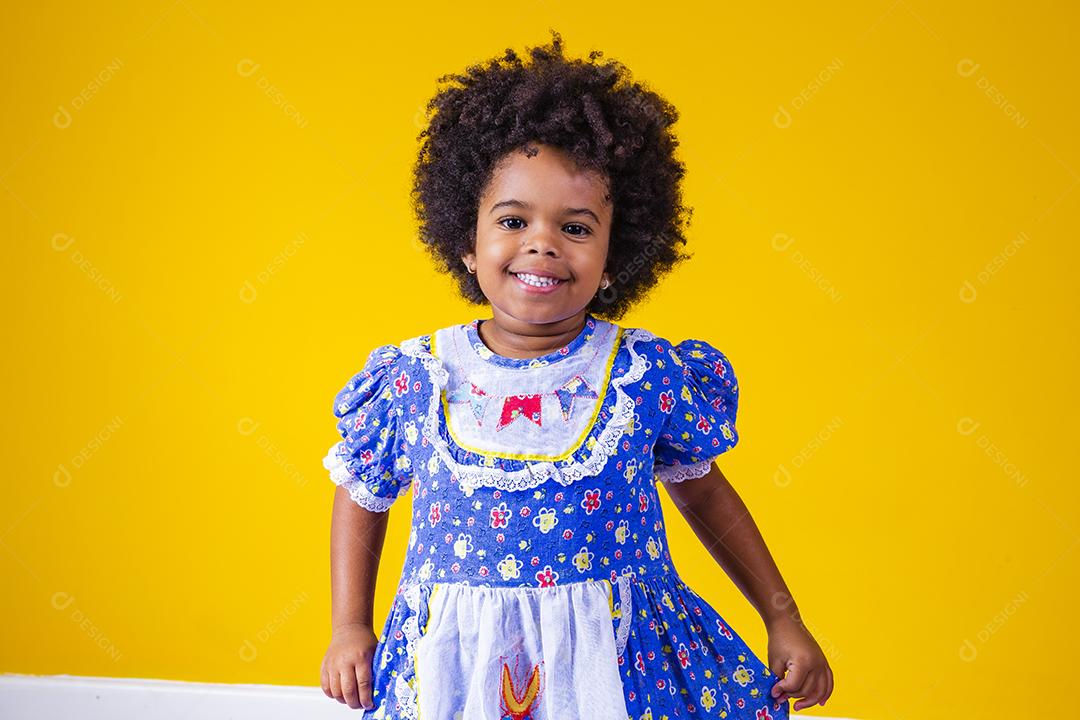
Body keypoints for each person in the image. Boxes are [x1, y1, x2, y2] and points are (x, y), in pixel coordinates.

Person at [320, 30, 833, 719]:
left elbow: (707, 497)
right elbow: (363, 494)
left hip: (619, 666)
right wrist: (351, 625)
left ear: (617, 256)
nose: (542, 242)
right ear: (465, 244)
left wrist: (783, 615)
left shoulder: (645, 375)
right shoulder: (415, 378)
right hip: (458, 669)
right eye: (512, 219)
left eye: (578, 228)